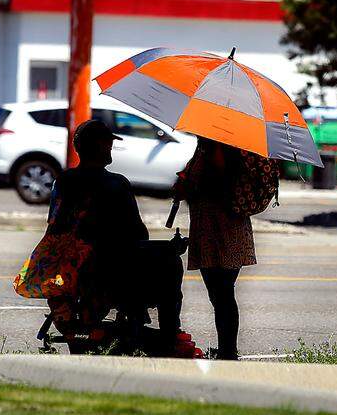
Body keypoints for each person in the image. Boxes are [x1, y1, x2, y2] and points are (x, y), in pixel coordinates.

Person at [46, 118, 185, 349]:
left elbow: (55, 225)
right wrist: (171, 248)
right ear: (100, 146)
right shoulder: (116, 184)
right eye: (109, 144)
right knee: (171, 263)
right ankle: (170, 336)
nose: (111, 148)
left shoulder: (63, 182)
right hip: (112, 274)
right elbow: (138, 236)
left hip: (71, 269)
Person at [174, 137, 255, 360]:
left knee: (222, 294)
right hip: (211, 229)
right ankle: (227, 349)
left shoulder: (219, 146)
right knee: (220, 294)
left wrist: (188, 185)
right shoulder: (205, 147)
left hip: (222, 230)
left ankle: (229, 352)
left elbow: (217, 181)